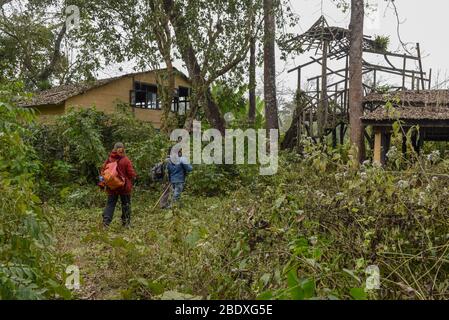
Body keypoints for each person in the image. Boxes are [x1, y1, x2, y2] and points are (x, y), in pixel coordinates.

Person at [101, 142, 137, 227]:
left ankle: (106, 222)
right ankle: (126, 222)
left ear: (114, 149)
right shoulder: (125, 160)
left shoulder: (109, 159)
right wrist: (134, 178)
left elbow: (103, 171)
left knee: (110, 204)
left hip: (112, 187)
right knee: (126, 204)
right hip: (124, 187)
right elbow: (131, 173)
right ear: (123, 149)